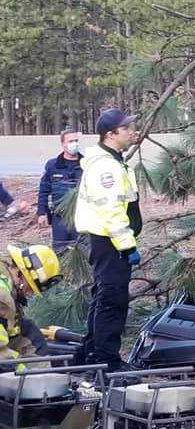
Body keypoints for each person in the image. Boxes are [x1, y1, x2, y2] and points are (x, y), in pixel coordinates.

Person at [73, 109, 141, 371]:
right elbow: (110, 209)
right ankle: (106, 360)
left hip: (109, 241)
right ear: (111, 134)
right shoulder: (105, 167)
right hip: (110, 242)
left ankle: (90, 353)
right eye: (126, 129)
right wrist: (128, 245)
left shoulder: (113, 161)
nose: (132, 132)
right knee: (112, 300)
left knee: (103, 296)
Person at [0, 243, 61, 368]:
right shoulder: (4, 298)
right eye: (30, 287)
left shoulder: (6, 278)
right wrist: (23, 372)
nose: (30, 294)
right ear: (20, 273)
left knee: (28, 328)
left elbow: (13, 333)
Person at [37, 129, 84, 252]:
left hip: (81, 218)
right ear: (63, 144)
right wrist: (42, 213)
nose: (74, 144)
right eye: (70, 141)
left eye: (76, 141)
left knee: (82, 251)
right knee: (60, 252)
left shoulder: (86, 164)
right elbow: (44, 190)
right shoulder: (53, 165)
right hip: (59, 218)